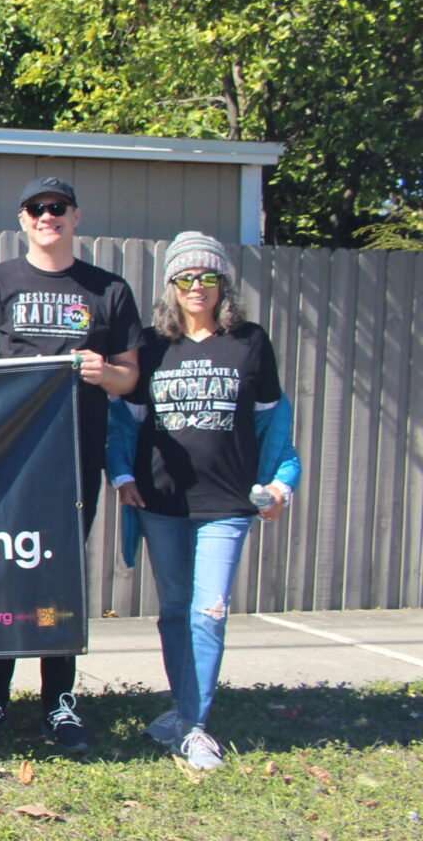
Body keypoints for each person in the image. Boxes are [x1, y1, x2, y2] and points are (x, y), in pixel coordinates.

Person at [0, 176, 140, 752]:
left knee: (61, 579)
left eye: (57, 208)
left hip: (74, 460)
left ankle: (59, 702)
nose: (47, 216)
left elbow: (129, 377)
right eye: (36, 208)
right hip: (9, 462)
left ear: (76, 217)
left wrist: (100, 372)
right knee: (5, 572)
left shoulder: (108, 289)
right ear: (22, 219)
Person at [108, 232, 298, 771]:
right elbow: (126, 422)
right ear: (170, 286)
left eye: (207, 277)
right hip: (160, 502)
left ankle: (193, 727)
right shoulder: (151, 345)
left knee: (208, 610)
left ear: (223, 285)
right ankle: (183, 711)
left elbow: (273, 423)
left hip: (228, 502)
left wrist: (282, 483)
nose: (197, 287)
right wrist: (122, 475)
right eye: (185, 278)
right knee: (173, 611)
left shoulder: (250, 342)